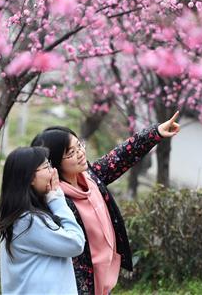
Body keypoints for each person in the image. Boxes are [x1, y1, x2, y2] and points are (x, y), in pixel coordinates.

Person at [31, 111, 181, 295]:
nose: (80, 154)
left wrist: (155, 133)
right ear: (54, 162)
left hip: (105, 278)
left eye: (79, 146)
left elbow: (120, 156)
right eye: (71, 153)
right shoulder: (56, 202)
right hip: (80, 285)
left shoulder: (91, 178)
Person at [0, 146, 86, 295]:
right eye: (46, 166)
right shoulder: (28, 222)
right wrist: (57, 200)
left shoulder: (21, 218)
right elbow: (76, 243)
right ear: (30, 177)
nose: (53, 171)